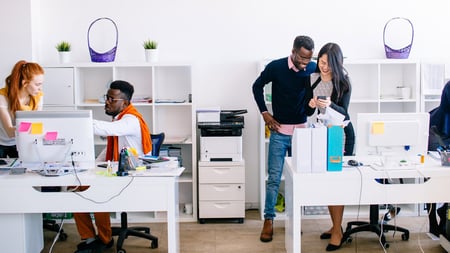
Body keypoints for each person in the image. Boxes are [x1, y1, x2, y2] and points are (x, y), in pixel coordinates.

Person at [73, 80, 152, 253]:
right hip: (118, 170)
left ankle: (104, 239)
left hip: (131, 176)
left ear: (124, 102)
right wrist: (89, 166)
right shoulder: (120, 118)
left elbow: (106, 129)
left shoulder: (130, 120)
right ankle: (89, 238)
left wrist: (78, 122)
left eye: (112, 99)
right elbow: (109, 152)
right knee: (76, 188)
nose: (107, 102)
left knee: (96, 192)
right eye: (106, 98)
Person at [252, 35, 316, 243]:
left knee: (298, 179)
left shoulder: (313, 68)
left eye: (309, 59)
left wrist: (314, 104)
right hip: (279, 133)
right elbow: (256, 86)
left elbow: (314, 100)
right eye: (303, 58)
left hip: (302, 134)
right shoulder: (277, 67)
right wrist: (264, 113)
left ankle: (294, 220)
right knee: (273, 179)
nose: (306, 63)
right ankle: (268, 220)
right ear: (294, 51)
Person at [305, 42, 354, 251]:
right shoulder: (313, 79)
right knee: (326, 183)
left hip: (340, 136)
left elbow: (344, 113)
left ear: (336, 64)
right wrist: (310, 105)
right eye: (321, 62)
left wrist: (329, 104)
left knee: (337, 185)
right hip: (321, 134)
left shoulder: (344, 83)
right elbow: (308, 114)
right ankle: (336, 226)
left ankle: (337, 231)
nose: (323, 67)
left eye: (327, 64)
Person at [0, 60, 44, 158]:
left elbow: (37, 125)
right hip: (2, 143)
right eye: (37, 84)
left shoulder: (38, 97)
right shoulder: (3, 96)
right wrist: (32, 127)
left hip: (21, 142)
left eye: (41, 84)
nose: (40, 88)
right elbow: (10, 132)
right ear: (25, 83)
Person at [427, 80, 450, 238]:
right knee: (433, 179)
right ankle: (434, 218)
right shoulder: (437, 118)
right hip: (438, 142)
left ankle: (444, 213)